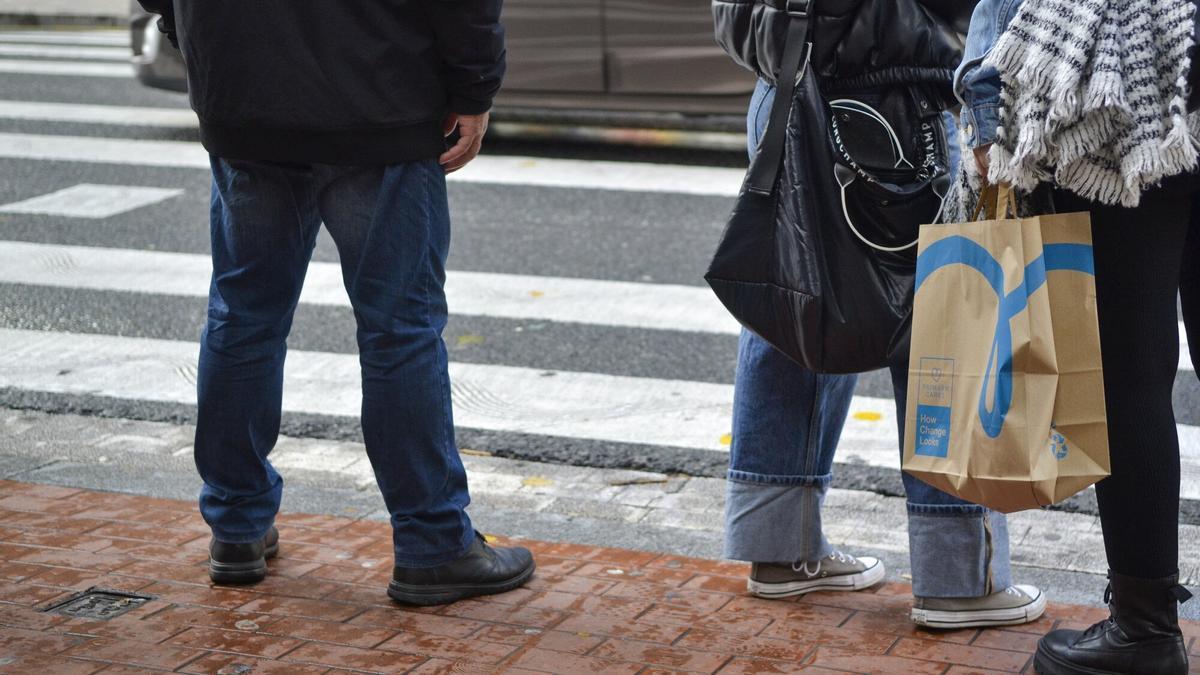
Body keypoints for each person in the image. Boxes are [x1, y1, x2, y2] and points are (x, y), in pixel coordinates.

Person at [136, 0, 535, 606]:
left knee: (244, 317)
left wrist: (189, 29)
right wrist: (474, 85)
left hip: (243, 93)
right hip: (379, 96)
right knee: (399, 330)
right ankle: (433, 542)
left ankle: (237, 526)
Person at [715, 0, 1046, 630]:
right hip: (889, 97)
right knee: (941, 318)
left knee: (795, 299)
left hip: (782, 80)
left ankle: (780, 550)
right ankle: (957, 579)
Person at [958, 0, 1196, 672]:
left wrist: (986, 111)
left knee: (1129, 371)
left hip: (1114, 96)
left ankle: (1145, 627)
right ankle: (1143, 624)